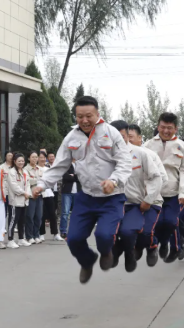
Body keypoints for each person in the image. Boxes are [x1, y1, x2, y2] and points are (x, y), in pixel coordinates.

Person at [32, 96, 131, 284]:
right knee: (73, 239)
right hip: (86, 197)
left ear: (98, 114)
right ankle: (87, 261)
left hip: (111, 197)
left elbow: (125, 163)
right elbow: (59, 165)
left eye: (88, 116)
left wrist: (113, 181)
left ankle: (106, 252)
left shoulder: (111, 133)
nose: (84, 120)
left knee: (103, 235)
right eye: (79, 116)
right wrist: (42, 184)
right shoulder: (71, 137)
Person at [110, 120, 163, 272]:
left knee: (139, 232)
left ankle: (148, 247)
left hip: (140, 202)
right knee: (112, 232)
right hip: (116, 203)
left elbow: (160, 177)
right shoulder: (105, 155)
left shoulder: (143, 154)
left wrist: (149, 197)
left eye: (122, 136)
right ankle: (120, 250)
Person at [143, 113, 184, 263]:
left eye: (169, 128)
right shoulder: (148, 146)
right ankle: (164, 243)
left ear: (175, 129)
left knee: (171, 221)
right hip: (154, 192)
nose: (166, 131)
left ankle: (172, 245)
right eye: (163, 127)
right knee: (157, 222)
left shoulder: (182, 146)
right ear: (158, 127)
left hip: (173, 193)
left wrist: (183, 193)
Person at [129, 123, 169, 265]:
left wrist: (149, 193)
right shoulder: (119, 156)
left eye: (130, 137)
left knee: (146, 231)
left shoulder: (150, 155)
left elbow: (163, 178)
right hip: (131, 202)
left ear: (140, 138)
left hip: (152, 201)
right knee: (130, 230)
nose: (126, 140)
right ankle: (138, 246)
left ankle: (152, 246)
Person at [7, 153, 32, 248]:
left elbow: (28, 184)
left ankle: (21, 239)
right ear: (14, 161)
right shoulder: (11, 172)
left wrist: (28, 193)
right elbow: (14, 186)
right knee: (13, 220)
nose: (21, 162)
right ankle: (10, 240)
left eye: (22, 161)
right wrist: (24, 193)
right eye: (19, 161)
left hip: (24, 200)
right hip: (15, 201)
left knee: (22, 221)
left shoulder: (25, 171)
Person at [39, 151, 63, 241]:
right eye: (40, 157)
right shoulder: (36, 169)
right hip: (40, 194)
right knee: (42, 214)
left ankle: (55, 233)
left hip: (49, 193)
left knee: (53, 214)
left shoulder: (48, 168)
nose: (42, 159)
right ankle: (41, 234)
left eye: (43, 157)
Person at [24, 152, 44, 244]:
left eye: (36, 157)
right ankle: (29, 236)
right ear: (29, 158)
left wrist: (38, 181)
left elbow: (44, 181)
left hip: (39, 194)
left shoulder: (39, 169)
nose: (35, 159)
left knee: (38, 216)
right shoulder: (26, 169)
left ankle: (36, 235)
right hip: (31, 195)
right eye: (33, 157)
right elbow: (28, 181)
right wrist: (38, 181)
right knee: (30, 216)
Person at [60, 161, 80, 239]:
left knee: (76, 213)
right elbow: (65, 176)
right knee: (65, 212)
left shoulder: (80, 164)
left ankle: (74, 231)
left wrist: (73, 176)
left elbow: (83, 177)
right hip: (67, 191)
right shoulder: (66, 164)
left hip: (78, 191)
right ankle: (63, 231)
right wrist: (75, 177)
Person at [2, 151, 15, 225]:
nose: (10, 157)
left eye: (11, 155)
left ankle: (11, 226)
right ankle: (2, 227)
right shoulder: (1, 167)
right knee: (3, 210)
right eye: (9, 155)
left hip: (13, 192)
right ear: (5, 157)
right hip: (5, 192)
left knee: (12, 211)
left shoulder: (15, 167)